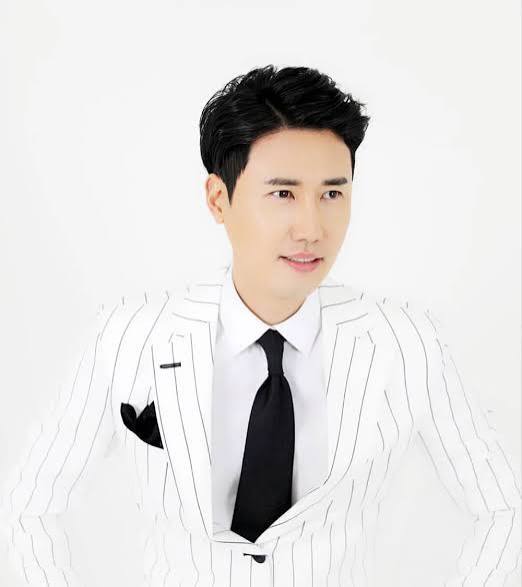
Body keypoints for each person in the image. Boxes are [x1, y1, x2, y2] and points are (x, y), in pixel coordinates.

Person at [1, 64, 520, 586]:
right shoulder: (130, 335)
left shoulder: (404, 342)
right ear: (218, 199)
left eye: (332, 194)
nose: (311, 229)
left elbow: (503, 510)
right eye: (283, 194)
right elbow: (31, 508)